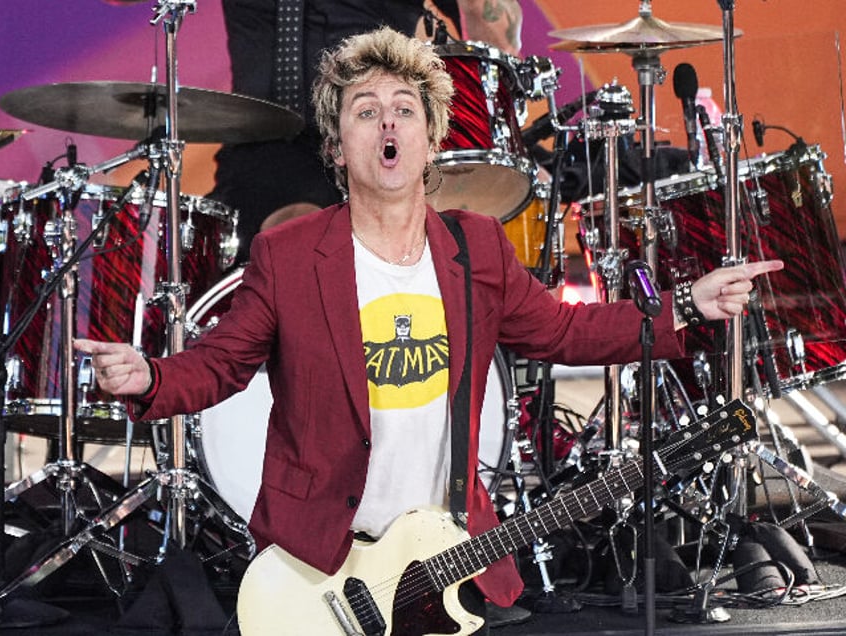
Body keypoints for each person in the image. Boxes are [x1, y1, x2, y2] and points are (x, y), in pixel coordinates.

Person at [76, 27, 782, 633]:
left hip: (445, 562)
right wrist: (151, 378)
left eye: (405, 109)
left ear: (432, 135)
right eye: (366, 110)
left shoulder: (474, 246)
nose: (388, 124)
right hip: (319, 566)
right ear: (336, 144)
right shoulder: (290, 257)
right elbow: (223, 361)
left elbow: (566, 334)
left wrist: (686, 305)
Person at [210, 0, 523, 265]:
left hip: (373, 143)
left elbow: (489, 20)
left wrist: (494, 114)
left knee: (299, 230)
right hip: (258, 148)